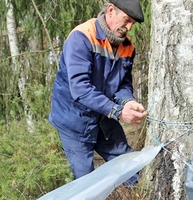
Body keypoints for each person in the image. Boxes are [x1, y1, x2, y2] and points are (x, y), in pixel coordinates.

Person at [48, 0, 147, 186]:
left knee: (132, 168)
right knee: (86, 182)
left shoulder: (128, 47)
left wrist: (128, 102)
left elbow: (123, 84)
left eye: (132, 23)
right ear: (111, 10)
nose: (128, 28)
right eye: (126, 20)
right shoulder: (82, 37)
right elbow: (80, 89)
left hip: (104, 118)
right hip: (74, 121)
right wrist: (118, 112)